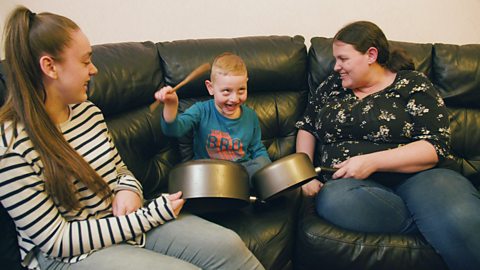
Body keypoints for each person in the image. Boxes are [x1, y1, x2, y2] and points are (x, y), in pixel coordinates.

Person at [0, 6, 264, 270]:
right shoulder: (11, 146)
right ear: (50, 67)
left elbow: (120, 170)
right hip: (71, 254)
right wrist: (148, 216)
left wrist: (128, 188)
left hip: (126, 222)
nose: (94, 70)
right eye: (84, 61)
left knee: (227, 244)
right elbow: (57, 241)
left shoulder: (88, 112)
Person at [295, 20, 480, 270]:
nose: (336, 66)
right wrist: (304, 173)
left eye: (343, 59)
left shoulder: (412, 84)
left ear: (371, 55)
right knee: (334, 201)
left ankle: (442, 218)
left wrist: (371, 161)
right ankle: (433, 220)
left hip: (421, 177)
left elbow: (433, 145)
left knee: (459, 217)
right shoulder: (331, 87)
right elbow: (307, 127)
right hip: (352, 187)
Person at [154, 52, 271, 183]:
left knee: (261, 165)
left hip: (241, 173)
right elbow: (173, 130)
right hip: (210, 173)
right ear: (211, 88)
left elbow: (258, 149)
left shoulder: (251, 116)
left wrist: (268, 171)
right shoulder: (200, 110)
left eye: (241, 90)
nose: (234, 98)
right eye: (226, 91)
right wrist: (171, 105)